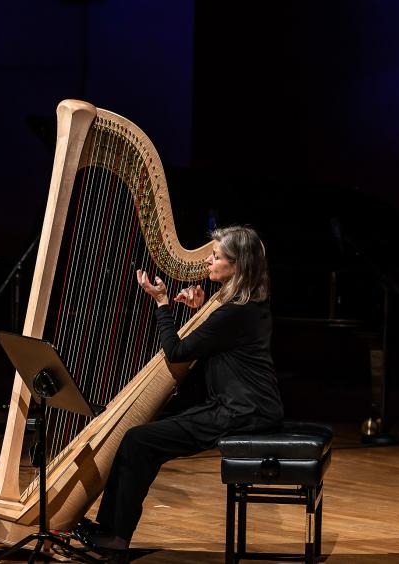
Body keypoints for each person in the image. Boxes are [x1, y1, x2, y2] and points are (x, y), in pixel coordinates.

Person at [74, 225, 284, 562]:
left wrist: (161, 303)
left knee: (139, 440)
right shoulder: (247, 304)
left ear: (237, 265)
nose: (208, 262)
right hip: (248, 406)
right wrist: (200, 312)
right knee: (142, 440)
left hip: (242, 412)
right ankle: (112, 531)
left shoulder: (234, 312)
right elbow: (217, 344)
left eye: (216, 257)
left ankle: (115, 535)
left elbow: (176, 352)